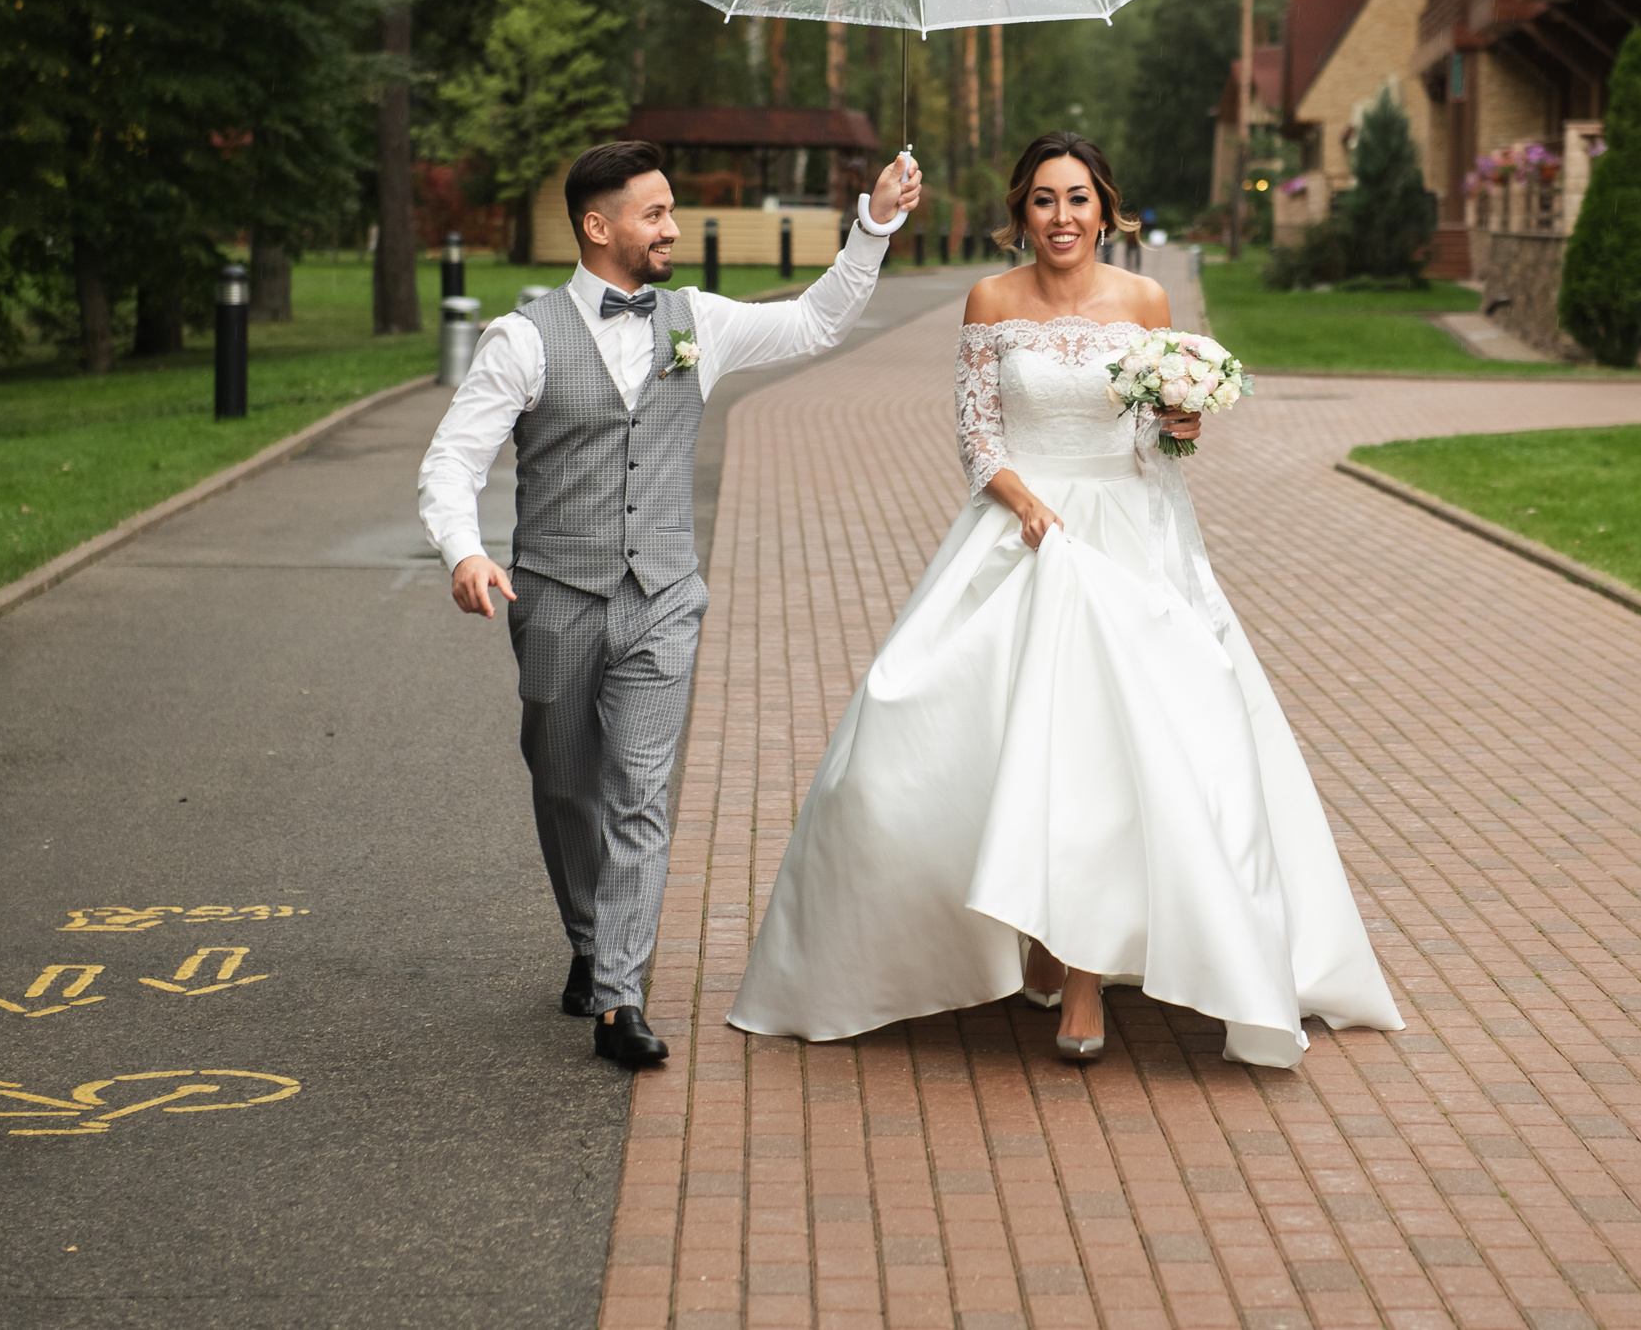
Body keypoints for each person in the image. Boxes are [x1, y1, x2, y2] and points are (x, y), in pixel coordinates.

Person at [728, 131, 1402, 1067]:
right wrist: (1024, 503)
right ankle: (1033, 937)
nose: (1061, 218)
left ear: (1106, 208)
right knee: (935, 737)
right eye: (1044, 200)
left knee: (1110, 749)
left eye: (1078, 199)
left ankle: (1084, 979)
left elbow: (1157, 449)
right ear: (1021, 213)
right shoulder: (990, 302)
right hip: (1020, 530)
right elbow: (976, 438)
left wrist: (1181, 423)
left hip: (1131, 537)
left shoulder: (1146, 300)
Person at [416, 138, 923, 1070]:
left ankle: (619, 997)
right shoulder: (523, 339)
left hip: (663, 600)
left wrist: (874, 224)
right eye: (654, 214)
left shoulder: (699, 320)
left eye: (672, 211)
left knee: (639, 794)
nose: (673, 228)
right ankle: (587, 939)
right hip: (557, 601)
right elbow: (454, 459)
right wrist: (467, 552)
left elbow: (815, 323)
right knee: (564, 782)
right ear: (597, 227)